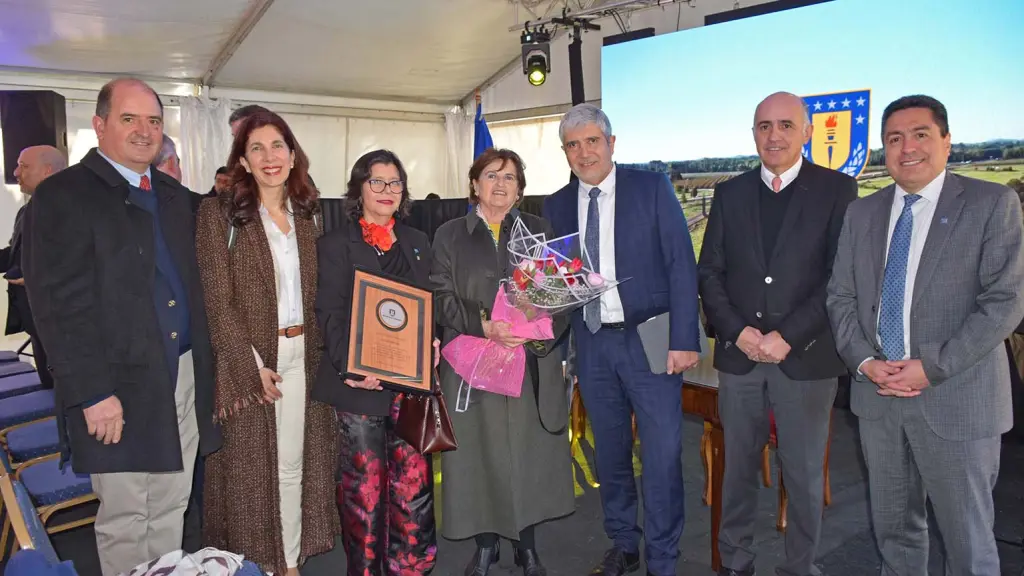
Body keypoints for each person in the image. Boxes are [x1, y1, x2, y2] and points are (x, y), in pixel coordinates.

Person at [21, 77, 221, 576]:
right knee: (128, 515)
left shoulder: (176, 197)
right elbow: (57, 307)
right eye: (129, 119)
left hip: (182, 377)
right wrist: (91, 392)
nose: (144, 131)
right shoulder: (62, 197)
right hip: (115, 388)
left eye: (153, 121)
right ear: (99, 125)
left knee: (171, 508)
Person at [826, 95, 1024, 576]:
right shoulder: (863, 213)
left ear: (946, 142)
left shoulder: (990, 203)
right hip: (878, 398)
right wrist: (865, 362)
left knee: (968, 543)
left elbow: (1004, 303)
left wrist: (929, 367)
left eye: (920, 134)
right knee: (895, 535)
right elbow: (840, 298)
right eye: (894, 138)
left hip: (957, 400)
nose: (906, 147)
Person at [697, 92, 857, 576]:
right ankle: (736, 564)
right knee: (738, 473)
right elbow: (710, 273)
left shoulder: (837, 190)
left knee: (805, 477)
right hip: (740, 357)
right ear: (753, 134)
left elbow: (838, 277)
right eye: (764, 126)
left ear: (807, 132)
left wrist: (787, 335)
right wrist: (738, 331)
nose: (774, 135)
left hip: (805, 359)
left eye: (786, 125)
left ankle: (800, 567)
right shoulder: (730, 194)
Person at [543, 104, 700, 576]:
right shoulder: (554, 204)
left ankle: (664, 558)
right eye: (573, 145)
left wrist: (684, 337)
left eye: (592, 141)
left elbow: (680, 263)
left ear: (612, 143)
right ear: (565, 153)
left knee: (662, 455)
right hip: (592, 344)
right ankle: (624, 543)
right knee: (610, 453)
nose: (584, 152)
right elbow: (556, 281)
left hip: (651, 342)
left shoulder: (651, 189)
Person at [196, 109, 338, 575]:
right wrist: (249, 363)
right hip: (253, 359)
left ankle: (289, 562)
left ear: (294, 154)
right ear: (242, 159)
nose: (269, 157)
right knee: (250, 474)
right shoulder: (220, 215)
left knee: (295, 464)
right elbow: (218, 300)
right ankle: (255, 562)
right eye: (256, 148)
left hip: (304, 354)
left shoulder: (308, 213)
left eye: (278, 146)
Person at [431, 148, 572, 576]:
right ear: (474, 184)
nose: (500, 184)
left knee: (527, 456)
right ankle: (487, 544)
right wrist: (483, 324)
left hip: (527, 363)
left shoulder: (539, 232)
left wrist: (535, 332)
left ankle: (526, 546)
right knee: (479, 456)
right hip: (473, 365)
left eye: (510, 177)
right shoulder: (449, 234)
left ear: (520, 188)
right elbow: (439, 297)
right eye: (491, 175)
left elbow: (562, 296)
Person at [313, 149, 438, 575]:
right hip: (360, 387)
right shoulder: (333, 244)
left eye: (395, 183)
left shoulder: (418, 242)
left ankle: (410, 568)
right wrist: (353, 368)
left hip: (409, 390)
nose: (387, 191)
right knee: (365, 495)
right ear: (359, 188)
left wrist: (433, 343)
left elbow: (428, 307)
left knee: (413, 489)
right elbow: (328, 314)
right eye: (377, 182)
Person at [3, 145, 66, 390]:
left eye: (24, 166)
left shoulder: (71, 212)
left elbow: (79, 262)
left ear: (47, 171)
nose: (16, 172)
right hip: (35, 319)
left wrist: (34, 277)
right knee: (49, 388)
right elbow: (15, 255)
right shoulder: (26, 210)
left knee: (67, 396)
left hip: (61, 323)